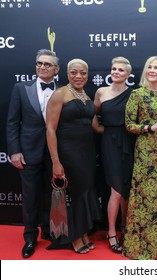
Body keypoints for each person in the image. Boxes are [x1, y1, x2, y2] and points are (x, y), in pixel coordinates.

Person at [6, 49, 60, 258]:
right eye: (39, 63)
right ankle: (30, 238)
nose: (42, 67)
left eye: (47, 64)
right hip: (28, 151)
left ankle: (49, 231)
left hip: (55, 153)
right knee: (30, 197)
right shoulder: (21, 88)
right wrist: (15, 151)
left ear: (56, 69)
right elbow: (12, 122)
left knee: (52, 194)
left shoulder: (64, 90)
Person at [46, 58, 102, 254]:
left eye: (83, 73)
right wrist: (56, 161)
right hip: (68, 152)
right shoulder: (59, 94)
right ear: (67, 74)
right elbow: (50, 129)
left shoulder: (87, 96)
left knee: (85, 191)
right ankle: (74, 236)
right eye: (74, 72)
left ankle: (83, 232)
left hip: (87, 151)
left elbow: (95, 126)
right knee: (77, 193)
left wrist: (119, 130)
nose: (79, 76)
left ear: (87, 75)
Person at [122, 56, 157, 260]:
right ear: (145, 71)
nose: (152, 70)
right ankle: (139, 246)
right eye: (149, 67)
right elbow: (129, 124)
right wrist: (148, 127)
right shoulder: (137, 94)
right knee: (142, 197)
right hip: (145, 151)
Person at [94, 57, 135, 253]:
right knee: (116, 191)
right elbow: (92, 115)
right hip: (110, 143)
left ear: (128, 74)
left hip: (130, 142)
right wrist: (104, 130)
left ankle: (126, 229)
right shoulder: (101, 92)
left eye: (120, 70)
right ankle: (112, 232)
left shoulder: (134, 94)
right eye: (113, 69)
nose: (116, 72)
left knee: (127, 189)